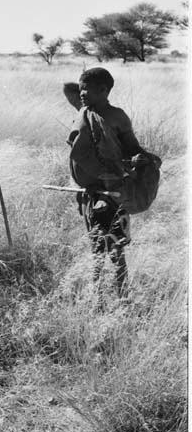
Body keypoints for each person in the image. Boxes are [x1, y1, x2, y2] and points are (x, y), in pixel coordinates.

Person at [64, 67, 152, 305]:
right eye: (80, 88)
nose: (81, 93)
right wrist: (83, 85)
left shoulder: (117, 117)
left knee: (115, 248)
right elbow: (67, 88)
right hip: (90, 193)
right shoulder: (84, 111)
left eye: (87, 89)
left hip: (112, 191)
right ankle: (98, 298)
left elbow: (132, 147)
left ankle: (123, 298)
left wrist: (141, 159)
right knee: (95, 244)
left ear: (104, 91)